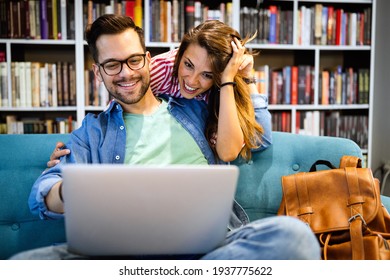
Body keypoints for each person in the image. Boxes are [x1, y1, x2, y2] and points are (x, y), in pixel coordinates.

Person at [10, 14, 320, 260]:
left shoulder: (197, 110)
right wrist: (70, 191)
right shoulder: (92, 133)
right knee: (24, 266)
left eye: (133, 60)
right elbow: (43, 192)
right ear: (98, 72)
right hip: (125, 256)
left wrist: (243, 78)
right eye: (112, 65)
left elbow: (257, 138)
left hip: (210, 252)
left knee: (294, 236)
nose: (126, 73)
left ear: (147, 59)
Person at [47, 19, 271, 167]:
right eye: (188, 65)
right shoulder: (158, 70)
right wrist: (77, 156)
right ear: (179, 55)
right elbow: (120, 110)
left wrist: (239, 78)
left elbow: (258, 140)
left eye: (207, 75)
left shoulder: (220, 89)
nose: (192, 81)